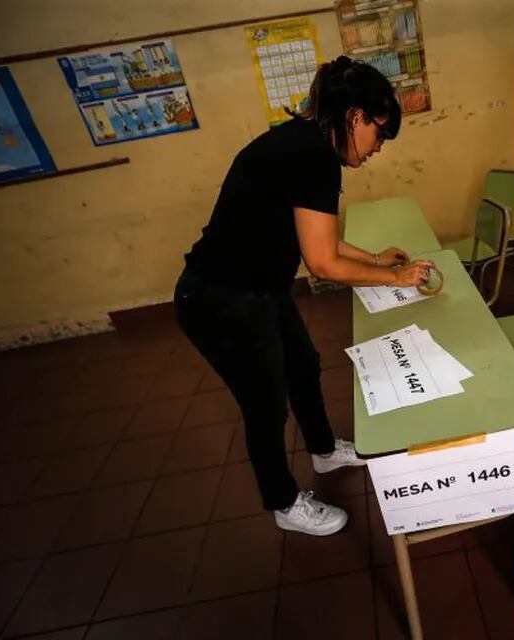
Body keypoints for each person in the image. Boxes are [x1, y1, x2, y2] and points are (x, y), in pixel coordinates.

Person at [173, 56, 432, 536]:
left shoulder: (306, 145)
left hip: (259, 290)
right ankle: (285, 503)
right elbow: (324, 264)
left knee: (302, 365)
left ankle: (325, 452)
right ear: (356, 116)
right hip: (219, 299)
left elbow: (321, 239)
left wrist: (377, 259)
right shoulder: (312, 155)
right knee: (266, 402)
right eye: (381, 132)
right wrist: (397, 280)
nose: (379, 147)